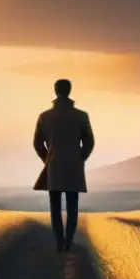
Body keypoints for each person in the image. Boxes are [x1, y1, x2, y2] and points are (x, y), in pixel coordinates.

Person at [33, 79, 95, 252]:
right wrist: (80, 157)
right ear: (69, 91)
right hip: (74, 165)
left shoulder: (45, 116)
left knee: (55, 206)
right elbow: (89, 142)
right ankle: (69, 241)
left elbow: (37, 143)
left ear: (55, 91)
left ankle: (59, 241)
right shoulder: (81, 116)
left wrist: (48, 159)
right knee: (72, 205)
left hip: (54, 164)